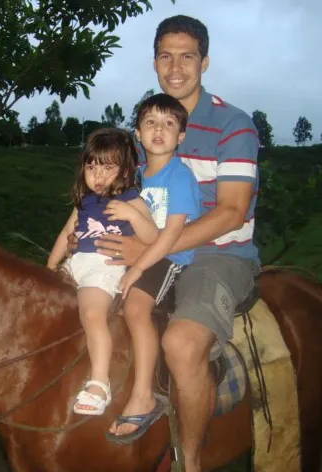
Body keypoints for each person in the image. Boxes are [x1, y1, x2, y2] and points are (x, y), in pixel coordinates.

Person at [95, 15, 261, 472]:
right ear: (154, 62)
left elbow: (230, 211)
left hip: (218, 253)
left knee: (184, 343)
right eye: (166, 55)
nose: (176, 65)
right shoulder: (147, 127)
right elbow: (115, 191)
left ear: (204, 62)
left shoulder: (234, 125)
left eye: (187, 55)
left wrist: (151, 252)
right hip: (150, 246)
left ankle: (191, 462)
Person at [104, 93, 201, 444]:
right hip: (137, 253)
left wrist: (136, 269)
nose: (159, 130)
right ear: (138, 133)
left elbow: (172, 237)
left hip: (170, 259)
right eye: (150, 123)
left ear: (181, 136)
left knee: (135, 307)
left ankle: (144, 396)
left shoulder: (179, 178)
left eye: (169, 124)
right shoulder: (135, 176)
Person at [47, 127, 158, 416]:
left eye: (107, 167)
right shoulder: (84, 200)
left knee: (93, 314)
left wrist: (133, 215)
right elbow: (66, 233)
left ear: (125, 172)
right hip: (74, 265)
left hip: (104, 268)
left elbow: (153, 237)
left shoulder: (132, 200)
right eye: (91, 165)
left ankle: (99, 383)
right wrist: (49, 267)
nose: (97, 175)